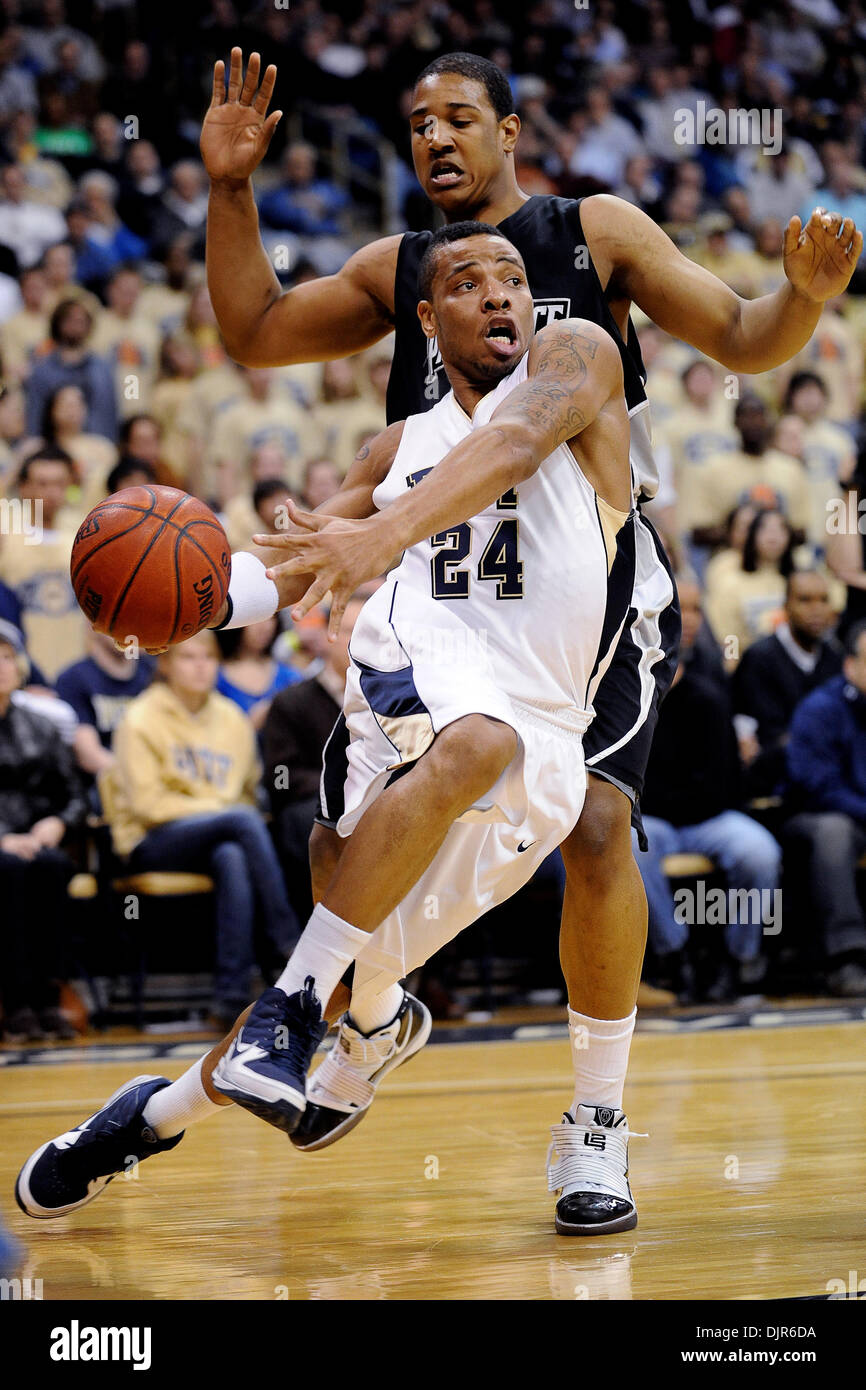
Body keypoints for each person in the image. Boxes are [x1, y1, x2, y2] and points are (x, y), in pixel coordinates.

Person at [16, 225, 639, 1236]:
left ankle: (165, 1107)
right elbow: (297, 563)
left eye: (515, 281)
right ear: (425, 321)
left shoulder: (579, 368)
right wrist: (184, 605)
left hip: (546, 736)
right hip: (412, 686)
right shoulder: (395, 447)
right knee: (438, 768)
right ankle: (313, 1008)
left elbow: (514, 442)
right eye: (465, 282)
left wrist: (384, 534)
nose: (498, 296)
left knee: (351, 950)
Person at [103, 630, 299, 1027]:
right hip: (150, 838)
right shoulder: (141, 717)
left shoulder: (231, 718)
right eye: (188, 657)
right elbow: (148, 806)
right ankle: (290, 946)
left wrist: (224, 814)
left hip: (222, 835)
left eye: (207, 657)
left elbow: (248, 792)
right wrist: (219, 810)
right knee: (240, 824)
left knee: (231, 856)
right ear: (166, 665)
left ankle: (229, 999)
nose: (200, 666)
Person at [633, 584, 783, 1004]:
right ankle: (673, 954)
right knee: (627, 844)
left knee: (759, 852)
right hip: (653, 822)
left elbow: (723, 786)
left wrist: (668, 800)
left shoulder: (709, 694)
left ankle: (737, 960)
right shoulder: (629, 697)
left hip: (707, 817)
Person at [0, 621, 84, 1041]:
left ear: (21, 667)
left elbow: (74, 796)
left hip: (37, 842)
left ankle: (49, 996)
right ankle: (16, 1002)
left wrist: (58, 822)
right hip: (4, 847)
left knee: (51, 867)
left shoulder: (43, 727)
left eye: (6, 656)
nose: (0, 666)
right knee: (11, 870)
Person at [263, 593, 365, 920]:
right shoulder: (292, 702)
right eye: (351, 631)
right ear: (328, 636)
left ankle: (418, 954)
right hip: (313, 810)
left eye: (371, 633)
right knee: (325, 820)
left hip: (376, 805)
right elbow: (280, 778)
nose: (360, 642)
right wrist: (344, 786)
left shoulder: (392, 704)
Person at [784, 621, 866, 997]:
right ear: (850, 666)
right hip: (814, 817)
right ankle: (845, 958)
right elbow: (817, 786)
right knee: (834, 832)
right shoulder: (820, 709)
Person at [733, 569, 843, 797]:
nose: (817, 609)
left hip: (829, 776)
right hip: (775, 783)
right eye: (805, 600)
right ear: (785, 606)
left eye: (824, 600)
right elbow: (762, 735)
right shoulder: (759, 658)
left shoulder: (835, 658)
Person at [0, 445, 86, 680]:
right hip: (19, 671)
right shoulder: (6, 533)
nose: (51, 492)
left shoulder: (85, 535)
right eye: (42, 483)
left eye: (59, 483)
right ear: (24, 487)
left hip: (74, 669)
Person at [55, 629, 154, 779]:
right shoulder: (73, 679)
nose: (124, 629)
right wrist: (140, 776)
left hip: (153, 773)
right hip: (104, 781)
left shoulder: (153, 673)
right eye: (115, 620)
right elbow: (89, 756)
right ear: (93, 625)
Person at [704, 507, 796, 667]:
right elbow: (726, 638)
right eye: (764, 528)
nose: (773, 535)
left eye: (781, 528)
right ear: (752, 535)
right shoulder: (731, 584)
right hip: (749, 671)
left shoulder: (798, 581)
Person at [23, 297, 117, 441]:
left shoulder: (102, 369)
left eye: (81, 321)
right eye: (69, 320)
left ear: (89, 326)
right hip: (53, 448)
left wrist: (109, 445)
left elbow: (108, 413)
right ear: (57, 324)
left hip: (95, 448)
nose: (75, 326)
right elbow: (35, 413)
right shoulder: (42, 370)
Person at [215, 615, 300, 730]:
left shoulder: (290, 676)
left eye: (271, 617)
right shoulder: (215, 677)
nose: (265, 627)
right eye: (256, 618)